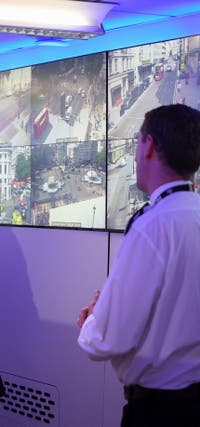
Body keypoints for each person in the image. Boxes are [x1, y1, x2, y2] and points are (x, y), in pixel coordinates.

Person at [77, 104, 200, 426]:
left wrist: (93, 321)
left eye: (136, 142)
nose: (133, 155)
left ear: (150, 146)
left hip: (159, 411)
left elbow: (109, 339)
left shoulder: (153, 226)